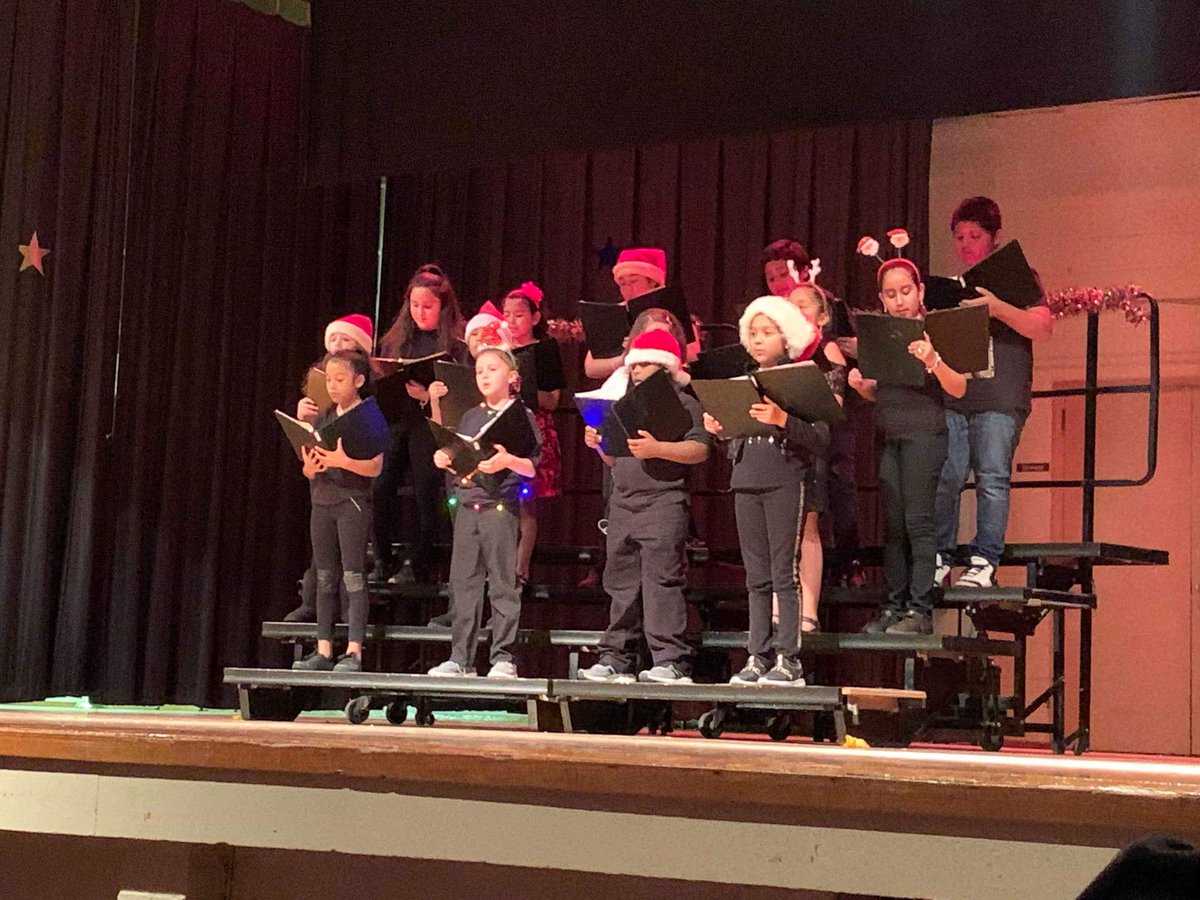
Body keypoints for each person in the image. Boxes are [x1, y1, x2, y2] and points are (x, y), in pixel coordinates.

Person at [704, 296, 826, 685]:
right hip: (746, 481)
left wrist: (782, 418)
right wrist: (721, 431)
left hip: (786, 479)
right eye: (752, 333)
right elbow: (736, 440)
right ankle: (757, 655)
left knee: (782, 575)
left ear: (785, 337)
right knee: (755, 577)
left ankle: (788, 658)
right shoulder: (741, 382)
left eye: (767, 332)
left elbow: (821, 438)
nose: (758, 340)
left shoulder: (801, 379)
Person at [578, 329, 710, 684]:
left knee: (661, 581)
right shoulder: (623, 403)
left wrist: (659, 449)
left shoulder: (684, 404)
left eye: (647, 364)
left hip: (663, 501)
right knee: (619, 582)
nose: (637, 371)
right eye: (634, 365)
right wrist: (598, 443)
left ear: (666, 368)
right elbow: (615, 460)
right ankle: (615, 658)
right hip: (623, 503)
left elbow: (700, 449)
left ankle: (669, 659)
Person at [934, 197, 1053, 589]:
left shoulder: (1018, 275)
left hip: (1000, 395)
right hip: (957, 392)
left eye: (975, 235)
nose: (966, 243)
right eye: (959, 236)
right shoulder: (953, 287)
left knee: (992, 477)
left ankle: (985, 559)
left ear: (995, 237)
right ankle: (941, 555)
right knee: (947, 473)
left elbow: (1041, 326)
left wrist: (998, 308)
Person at [848, 258, 967, 635]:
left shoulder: (935, 330)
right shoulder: (882, 335)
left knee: (919, 522)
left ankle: (920, 609)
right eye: (890, 294)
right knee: (894, 526)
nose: (899, 300)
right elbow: (882, 392)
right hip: (890, 435)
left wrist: (932, 359)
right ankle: (894, 606)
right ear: (881, 299)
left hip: (924, 436)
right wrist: (860, 386)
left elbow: (958, 386)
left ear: (920, 292)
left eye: (905, 291)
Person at [427, 347, 541, 678]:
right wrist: (444, 456)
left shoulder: (521, 416)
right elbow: (458, 449)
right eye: (480, 371)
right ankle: (460, 657)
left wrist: (508, 461)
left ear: (512, 377)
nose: (485, 376)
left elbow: (532, 466)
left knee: (503, 584)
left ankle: (504, 657)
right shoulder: (471, 416)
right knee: (464, 584)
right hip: (467, 505)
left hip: (500, 509)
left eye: (492, 369)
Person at [292, 351, 386, 672]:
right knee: (324, 577)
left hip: (352, 503)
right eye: (328, 379)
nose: (332, 386)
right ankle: (323, 649)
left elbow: (375, 467)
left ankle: (354, 650)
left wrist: (344, 461)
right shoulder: (324, 417)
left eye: (340, 379)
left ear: (358, 381)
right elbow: (310, 466)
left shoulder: (368, 415)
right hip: (322, 502)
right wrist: (308, 466)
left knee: (353, 576)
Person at [372, 264, 464, 585]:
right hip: (399, 419)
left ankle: (418, 560)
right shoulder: (397, 339)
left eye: (427, 307)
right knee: (381, 484)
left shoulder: (455, 343)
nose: (420, 313)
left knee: (427, 488)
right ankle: (382, 559)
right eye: (414, 306)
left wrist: (428, 395)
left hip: (430, 422)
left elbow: (459, 394)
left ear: (443, 307)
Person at [285, 313, 375, 623]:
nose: (337, 345)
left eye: (345, 340)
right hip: (323, 480)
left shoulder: (365, 388)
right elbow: (309, 435)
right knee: (321, 554)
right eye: (333, 339)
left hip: (352, 482)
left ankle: (351, 621)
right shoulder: (320, 379)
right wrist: (302, 416)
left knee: (350, 559)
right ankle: (313, 605)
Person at [786, 283, 848, 633]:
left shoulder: (829, 352)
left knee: (808, 525)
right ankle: (782, 609)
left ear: (822, 316)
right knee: (782, 533)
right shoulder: (782, 353)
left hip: (811, 444)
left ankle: (808, 610)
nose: (795, 310)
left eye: (803, 305)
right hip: (783, 446)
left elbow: (833, 408)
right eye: (789, 305)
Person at [503, 282, 565, 587]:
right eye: (506, 314)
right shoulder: (497, 351)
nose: (511, 321)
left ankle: (520, 570)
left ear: (535, 317)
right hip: (500, 426)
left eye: (519, 314)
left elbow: (553, 400)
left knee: (526, 501)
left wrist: (521, 389)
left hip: (532, 425)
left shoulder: (545, 348)